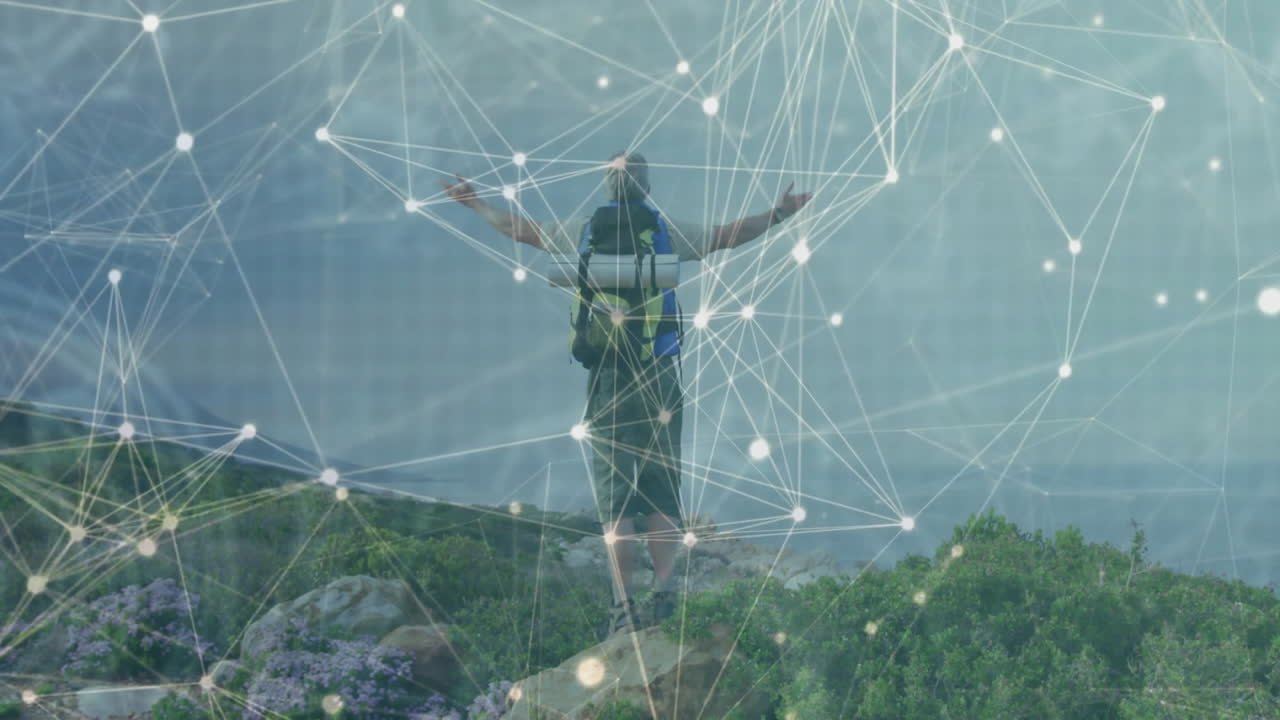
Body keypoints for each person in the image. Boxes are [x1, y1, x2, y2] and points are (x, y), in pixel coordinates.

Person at [440, 152, 812, 637]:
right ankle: (664, 594)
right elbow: (728, 236)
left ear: (606, 187)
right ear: (646, 186)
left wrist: (475, 204)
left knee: (614, 497)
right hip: (658, 373)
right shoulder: (665, 231)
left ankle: (622, 607)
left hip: (607, 377)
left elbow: (519, 229)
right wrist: (779, 213)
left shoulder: (585, 231)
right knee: (660, 485)